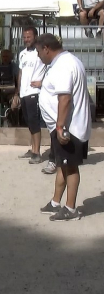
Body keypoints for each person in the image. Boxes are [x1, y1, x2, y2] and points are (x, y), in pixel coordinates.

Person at [36, 33, 91, 221]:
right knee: (62, 165)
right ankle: (56, 202)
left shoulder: (64, 66)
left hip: (70, 127)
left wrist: (60, 127)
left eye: (38, 51)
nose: (38, 56)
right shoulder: (67, 62)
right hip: (65, 126)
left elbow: (65, 98)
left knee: (71, 167)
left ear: (46, 48)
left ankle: (71, 208)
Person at [15, 26, 47, 164]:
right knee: (28, 122)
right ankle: (33, 148)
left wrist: (42, 82)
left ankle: (37, 152)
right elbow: (20, 73)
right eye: (24, 37)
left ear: (35, 37)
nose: (26, 39)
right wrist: (17, 92)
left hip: (35, 92)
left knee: (34, 122)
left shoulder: (40, 52)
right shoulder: (22, 54)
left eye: (29, 37)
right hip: (24, 92)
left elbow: (50, 68)